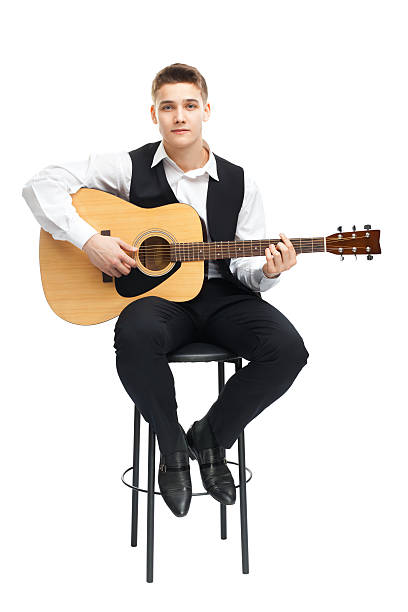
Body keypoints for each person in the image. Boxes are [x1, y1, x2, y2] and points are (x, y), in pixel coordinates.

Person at [22, 63, 309, 518]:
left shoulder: (240, 182)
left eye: (189, 106)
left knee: (288, 349)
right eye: (168, 106)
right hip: (156, 301)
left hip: (222, 298)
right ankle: (172, 448)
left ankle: (211, 437)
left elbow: (247, 269)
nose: (179, 116)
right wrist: (88, 239)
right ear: (154, 113)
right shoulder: (127, 167)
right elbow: (40, 185)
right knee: (134, 335)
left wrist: (271, 272)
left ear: (206, 111)